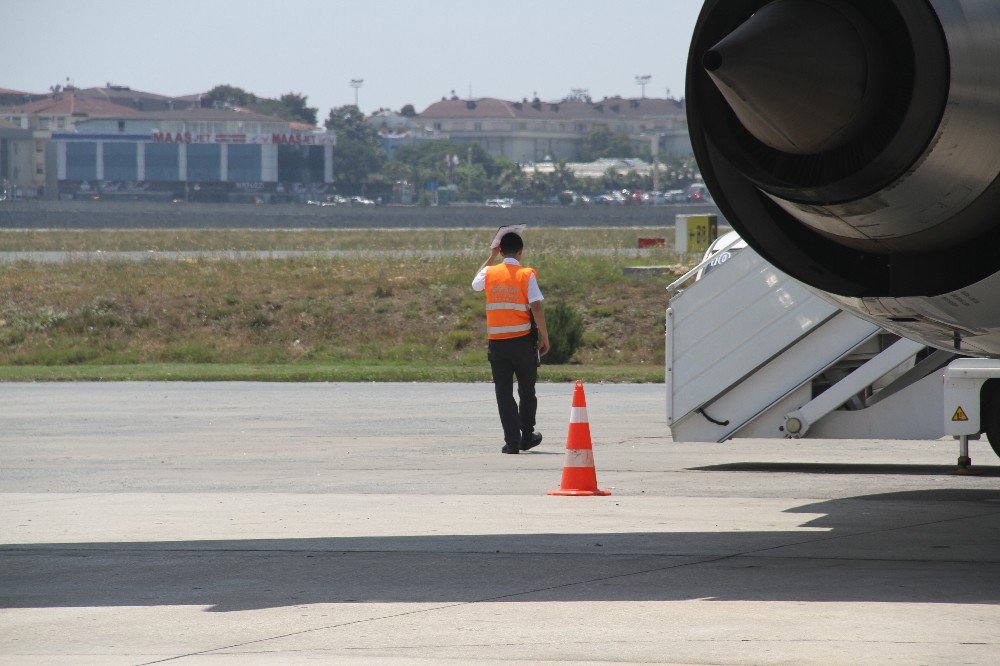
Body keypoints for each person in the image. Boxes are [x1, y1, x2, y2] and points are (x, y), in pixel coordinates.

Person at [472, 231, 551, 454]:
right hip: (523, 342)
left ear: (500, 252)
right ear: (521, 251)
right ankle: (527, 436)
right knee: (527, 390)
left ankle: (512, 442)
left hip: (497, 344)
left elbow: (475, 284)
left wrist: (490, 257)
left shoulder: (489, 272)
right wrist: (545, 337)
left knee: (503, 393)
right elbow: (536, 306)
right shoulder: (526, 274)